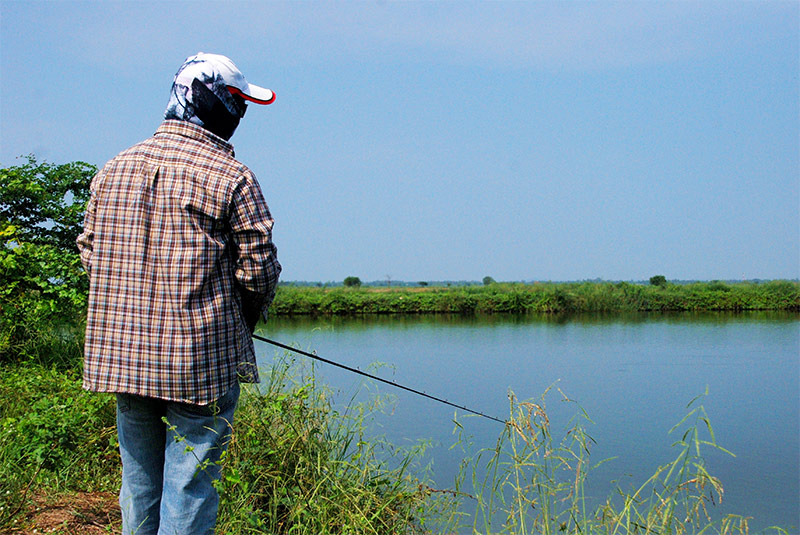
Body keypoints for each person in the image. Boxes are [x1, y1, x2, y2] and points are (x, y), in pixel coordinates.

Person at [77, 52, 281, 534]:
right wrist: (239, 319)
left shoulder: (114, 167)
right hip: (199, 362)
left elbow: (89, 249)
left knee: (139, 481)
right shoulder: (232, 177)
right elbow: (259, 269)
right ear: (211, 101)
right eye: (237, 101)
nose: (241, 113)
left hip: (122, 355)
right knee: (189, 486)